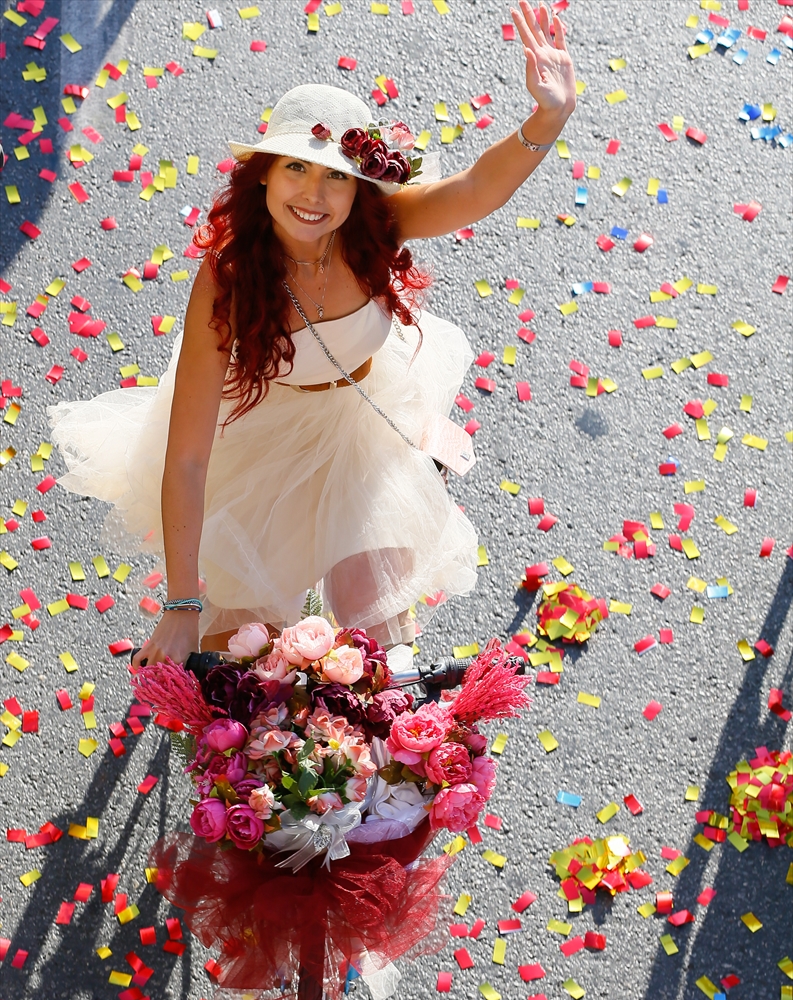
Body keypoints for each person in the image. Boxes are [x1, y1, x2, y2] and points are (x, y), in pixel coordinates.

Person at [49, 2, 576, 663]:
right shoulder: (230, 275)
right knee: (251, 653)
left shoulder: (377, 228)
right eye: (296, 167)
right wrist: (181, 604)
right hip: (265, 442)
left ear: (360, 190)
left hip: (364, 431)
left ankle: (374, 760)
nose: (314, 194)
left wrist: (547, 115)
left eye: (336, 175)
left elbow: (475, 187)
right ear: (264, 172)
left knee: (378, 644)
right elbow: (186, 459)